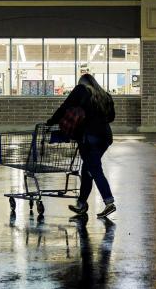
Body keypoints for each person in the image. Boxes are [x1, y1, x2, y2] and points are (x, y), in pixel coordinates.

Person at [47, 73, 116, 218]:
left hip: (89, 137)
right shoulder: (104, 95)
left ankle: (109, 202)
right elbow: (111, 117)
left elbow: (65, 107)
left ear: (82, 82)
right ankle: (81, 204)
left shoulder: (81, 90)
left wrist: (51, 121)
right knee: (88, 169)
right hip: (105, 137)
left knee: (94, 169)